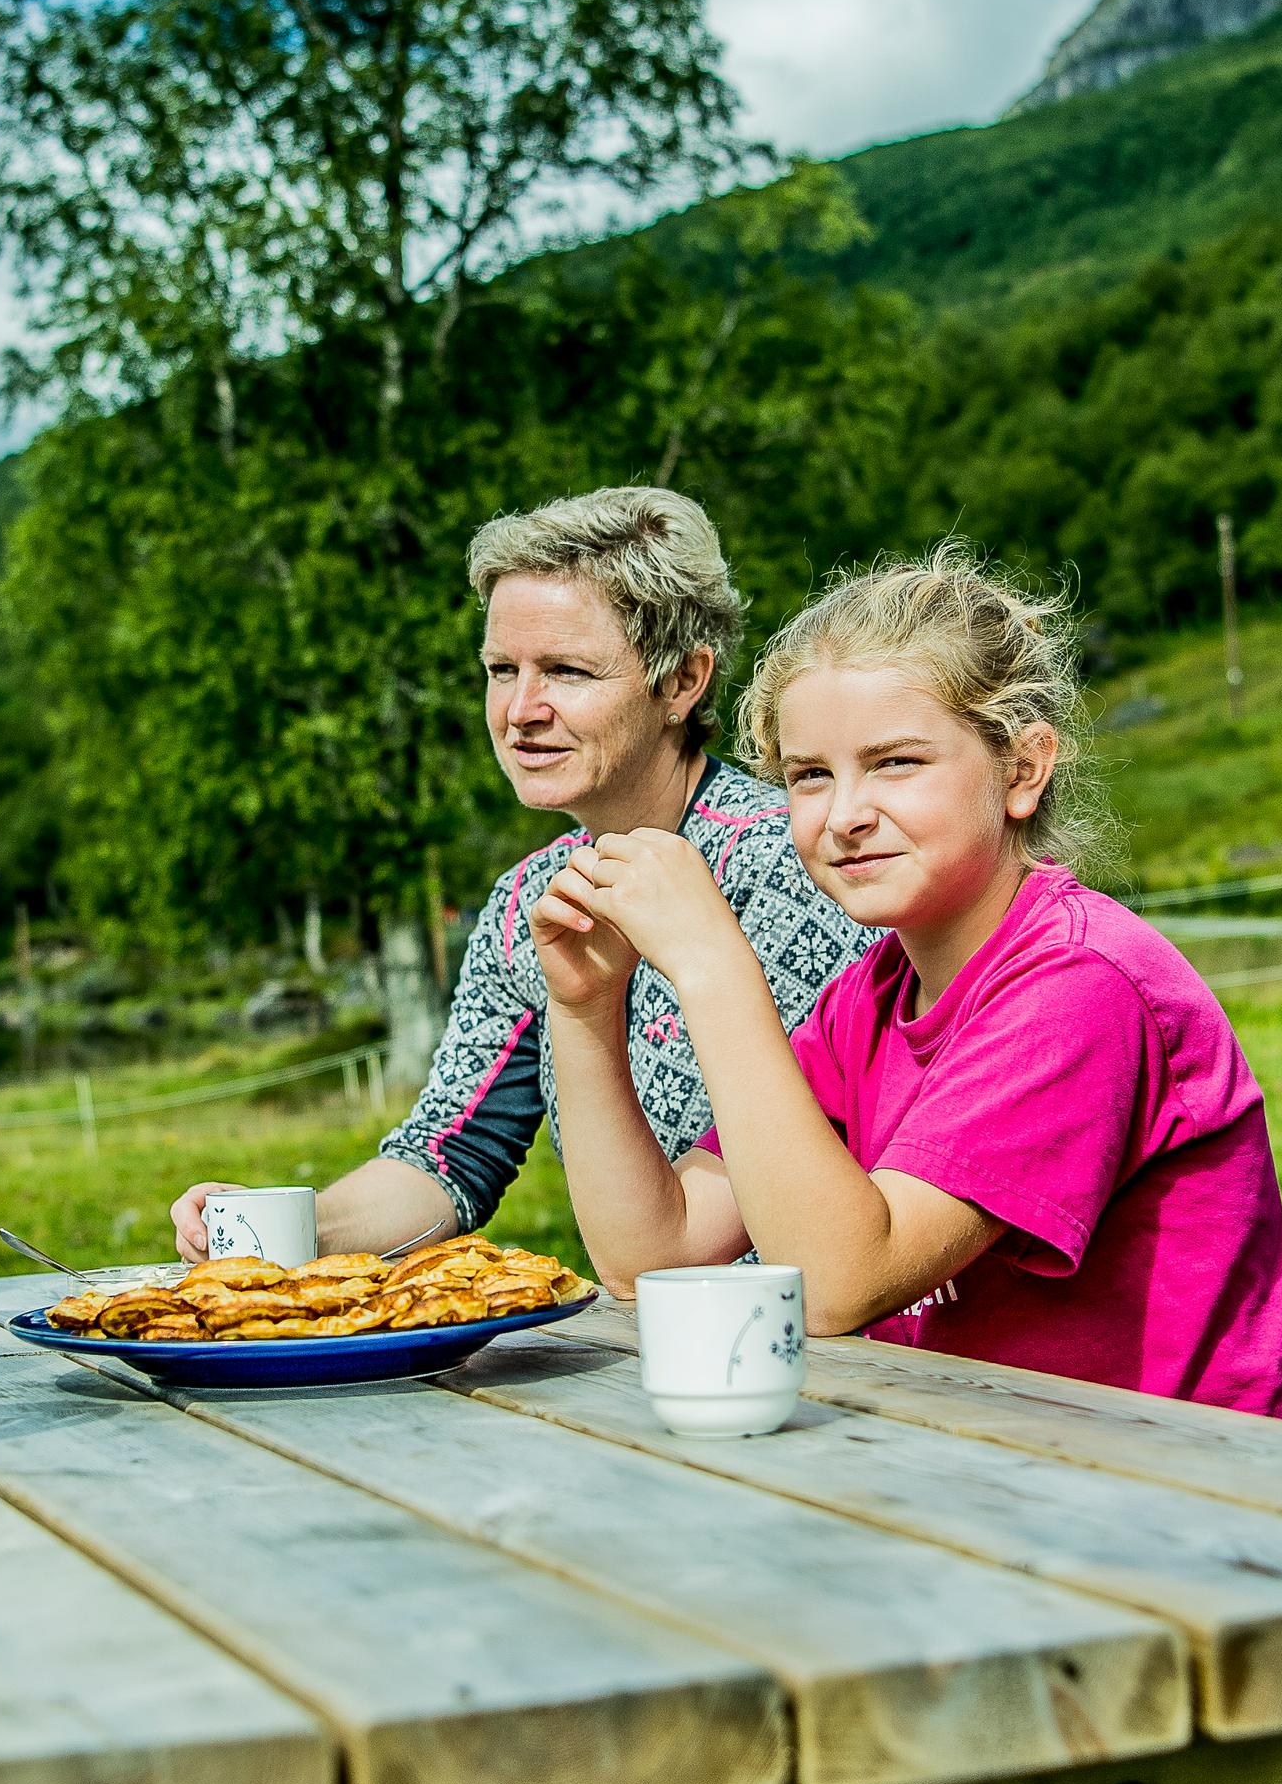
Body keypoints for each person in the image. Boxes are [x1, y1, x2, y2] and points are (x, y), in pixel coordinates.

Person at [537, 544, 1282, 1412]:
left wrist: (712, 965)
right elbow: (654, 1255)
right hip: (981, 1472)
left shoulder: (1080, 983)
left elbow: (841, 1281)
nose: (846, 815)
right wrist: (583, 1005)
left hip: (1178, 1497)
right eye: (810, 777)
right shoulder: (869, 998)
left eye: (896, 762)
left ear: (1022, 769)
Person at [174, 487, 877, 1257]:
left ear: (682, 683)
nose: (520, 710)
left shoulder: (801, 859)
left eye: (567, 671)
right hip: (644, 1319)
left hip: (833, 1334)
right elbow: (452, 1154)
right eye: (501, 669)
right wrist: (281, 1228)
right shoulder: (522, 906)